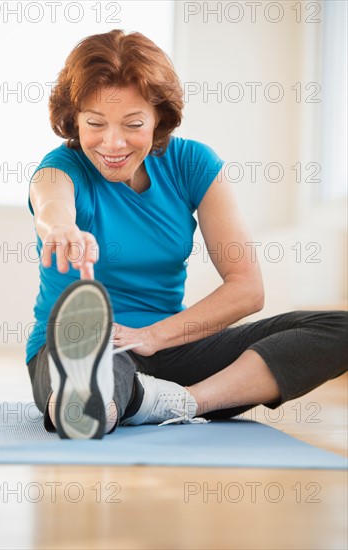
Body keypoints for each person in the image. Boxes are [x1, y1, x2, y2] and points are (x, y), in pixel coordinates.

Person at [27, 29, 347, 439]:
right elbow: (52, 200)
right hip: (87, 346)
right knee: (97, 370)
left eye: (133, 123)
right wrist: (61, 227)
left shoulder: (193, 164)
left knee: (338, 329)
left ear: (160, 116)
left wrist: (152, 337)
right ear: (74, 119)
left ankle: (181, 402)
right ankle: (91, 401)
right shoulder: (60, 167)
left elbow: (247, 290)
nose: (113, 142)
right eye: (95, 123)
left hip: (171, 345)